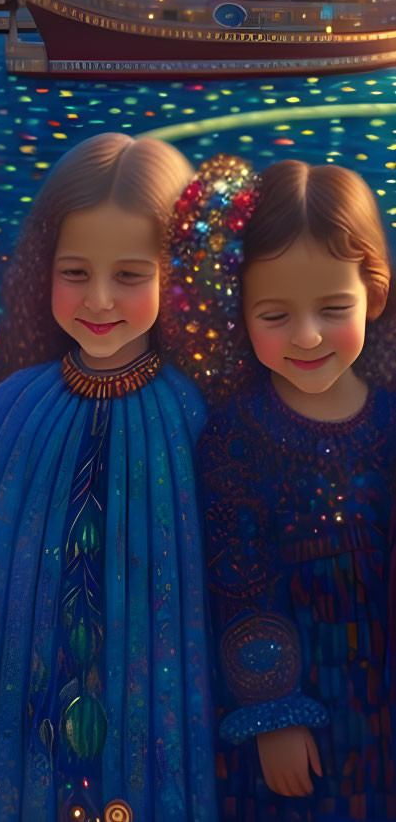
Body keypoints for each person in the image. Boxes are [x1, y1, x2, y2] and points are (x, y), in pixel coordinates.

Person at [0, 134, 218, 821]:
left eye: (129, 274)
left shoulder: (193, 412)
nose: (98, 299)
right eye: (75, 272)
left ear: (177, 276)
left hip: (153, 686)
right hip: (17, 677)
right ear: (41, 270)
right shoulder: (15, 404)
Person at [170, 158, 396, 821]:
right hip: (292, 699)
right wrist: (271, 711)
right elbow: (240, 580)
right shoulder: (233, 435)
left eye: (332, 309)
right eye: (275, 313)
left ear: (372, 295)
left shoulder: (389, 421)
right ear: (240, 311)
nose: (305, 336)